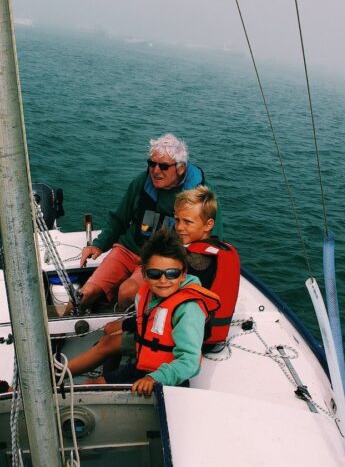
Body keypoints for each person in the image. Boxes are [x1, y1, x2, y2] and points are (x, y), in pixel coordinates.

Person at [67, 185, 226, 376]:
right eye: (177, 220)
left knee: (109, 340)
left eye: (188, 222)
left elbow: (166, 311)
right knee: (111, 330)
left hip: (175, 335)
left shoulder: (196, 262)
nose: (180, 227)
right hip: (178, 324)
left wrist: (127, 325)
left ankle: (66, 377)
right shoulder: (203, 250)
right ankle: (109, 375)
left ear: (208, 225)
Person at [78, 133, 219, 311]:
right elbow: (119, 218)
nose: (156, 170)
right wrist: (98, 245)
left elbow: (212, 238)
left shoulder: (200, 196)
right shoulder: (142, 182)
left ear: (181, 168)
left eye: (164, 166)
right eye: (152, 164)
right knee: (86, 292)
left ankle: (125, 329)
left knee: (127, 292)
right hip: (129, 248)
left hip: (159, 258)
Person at [83, 228, 219, 396]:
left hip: (168, 380)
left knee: (99, 388)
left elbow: (190, 361)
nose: (163, 280)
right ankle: (58, 374)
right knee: (90, 385)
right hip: (140, 367)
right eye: (155, 274)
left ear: (183, 274)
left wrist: (155, 378)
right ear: (144, 275)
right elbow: (147, 322)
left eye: (172, 274)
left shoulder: (189, 309)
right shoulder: (147, 295)